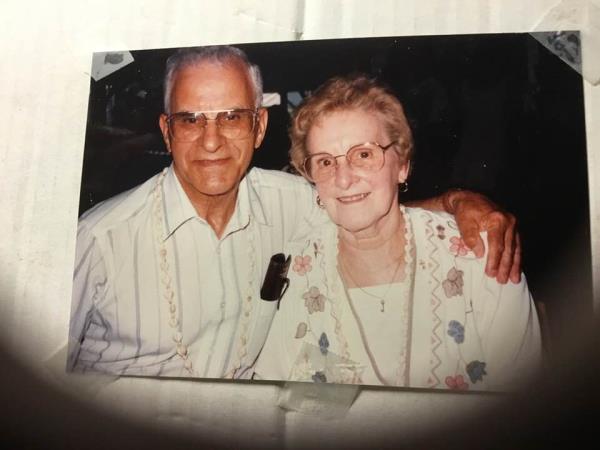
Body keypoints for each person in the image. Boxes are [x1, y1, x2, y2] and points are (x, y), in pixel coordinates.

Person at [68, 46, 523, 380]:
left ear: (259, 125)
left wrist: (459, 202)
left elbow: (364, 207)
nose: (211, 141)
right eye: (191, 120)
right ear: (167, 131)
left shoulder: (287, 201)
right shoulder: (99, 241)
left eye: (231, 117)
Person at [254, 75, 541, 390]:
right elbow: (287, 414)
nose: (344, 179)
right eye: (325, 162)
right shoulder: (297, 276)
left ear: (402, 164)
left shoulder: (479, 254)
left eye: (364, 154)